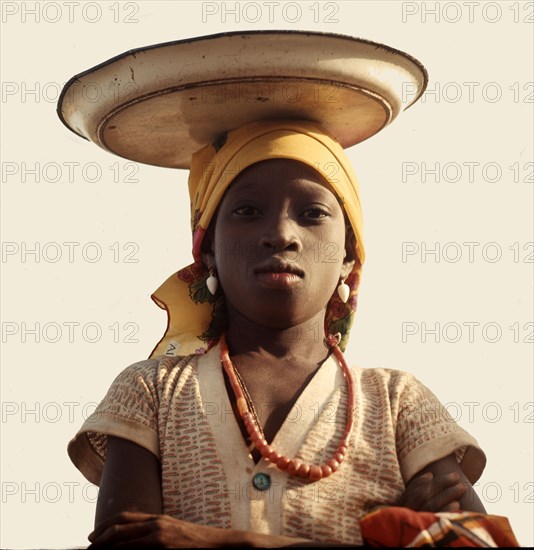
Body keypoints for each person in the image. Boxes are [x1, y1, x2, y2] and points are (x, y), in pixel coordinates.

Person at [67, 119, 513, 548]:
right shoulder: (152, 391)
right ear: (208, 253)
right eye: (246, 211)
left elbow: (479, 545)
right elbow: (128, 541)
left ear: (348, 256)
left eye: (313, 213)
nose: (281, 234)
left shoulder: (397, 404)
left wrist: (225, 543)